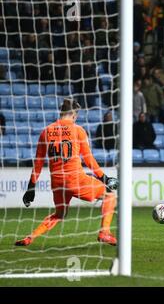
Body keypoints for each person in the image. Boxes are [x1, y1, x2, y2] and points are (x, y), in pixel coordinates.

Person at [16, 99, 119, 246]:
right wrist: (105, 178)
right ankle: (104, 232)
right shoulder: (78, 130)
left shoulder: (46, 131)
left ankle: (30, 238)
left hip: (57, 183)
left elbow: (38, 163)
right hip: (76, 179)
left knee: (59, 214)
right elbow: (89, 159)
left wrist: (31, 187)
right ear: (74, 114)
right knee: (109, 195)